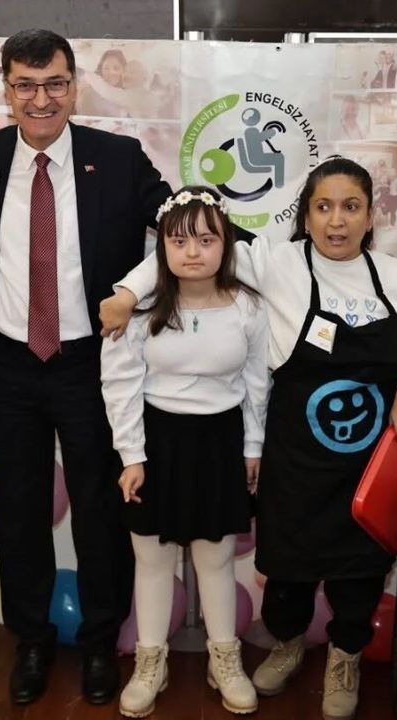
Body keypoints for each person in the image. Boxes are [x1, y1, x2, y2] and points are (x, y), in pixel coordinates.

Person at [102, 158, 397, 720]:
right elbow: (186, 243)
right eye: (323, 207)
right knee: (288, 563)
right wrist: (127, 295)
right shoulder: (276, 263)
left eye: (350, 207)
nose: (336, 221)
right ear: (305, 215)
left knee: (360, 564)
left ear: (370, 215)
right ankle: (287, 644)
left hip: (368, 455)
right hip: (296, 448)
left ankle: (345, 658)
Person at [0, 28, 172, 707]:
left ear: (74, 86)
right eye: (25, 85)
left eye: (54, 83)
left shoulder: (116, 158)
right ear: (5, 89)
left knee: (100, 509)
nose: (41, 99)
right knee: (20, 509)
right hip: (7, 364)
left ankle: (99, 641)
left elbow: (179, 223)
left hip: (91, 364)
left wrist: (139, 287)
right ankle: (30, 639)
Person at [101, 187, 269, 717]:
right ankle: (151, 662)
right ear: (162, 248)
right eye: (179, 241)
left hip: (220, 442)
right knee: (151, 559)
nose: (192, 251)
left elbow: (257, 382)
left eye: (206, 239)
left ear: (226, 244)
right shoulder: (140, 308)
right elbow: (120, 383)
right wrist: (132, 456)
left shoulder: (248, 306)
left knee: (215, 559)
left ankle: (225, 660)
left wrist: (253, 446)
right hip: (156, 442)